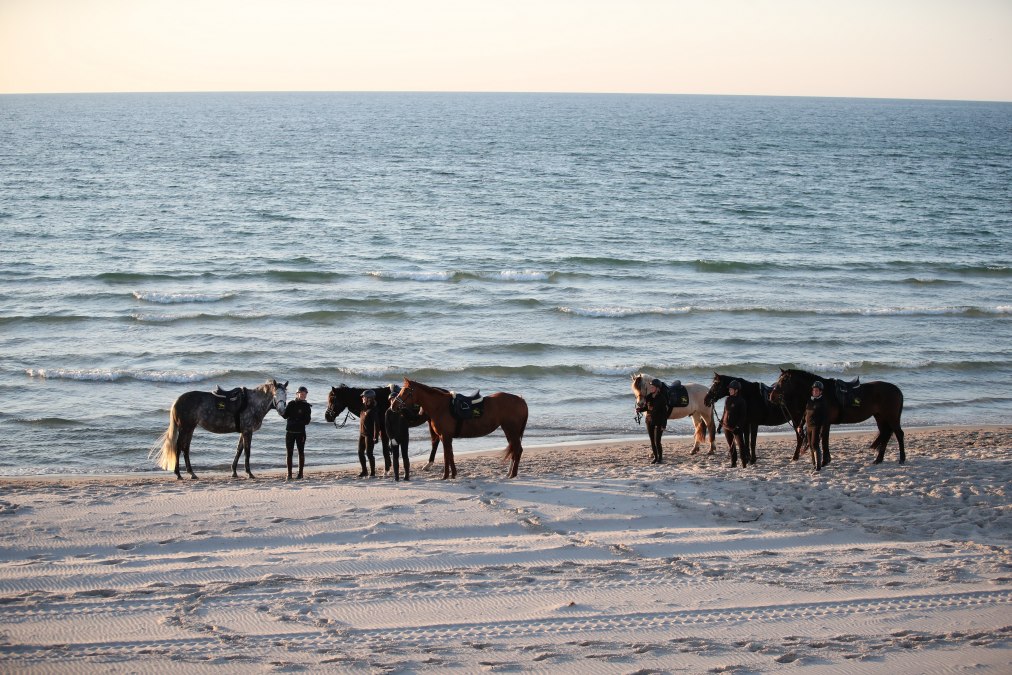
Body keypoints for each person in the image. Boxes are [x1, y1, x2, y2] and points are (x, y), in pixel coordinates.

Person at [280, 386, 312, 480]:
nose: (303, 396)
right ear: (297, 394)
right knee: (289, 453)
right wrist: (282, 409)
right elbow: (285, 416)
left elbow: (307, 421)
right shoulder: (291, 404)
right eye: (301, 394)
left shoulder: (307, 406)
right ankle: (289, 474)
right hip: (289, 432)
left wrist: (297, 420)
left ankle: (300, 474)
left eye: (304, 394)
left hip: (301, 433)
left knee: (301, 452)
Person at [637, 378, 670, 464]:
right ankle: (655, 457)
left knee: (657, 441)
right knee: (652, 440)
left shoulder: (662, 398)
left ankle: (660, 458)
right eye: (650, 386)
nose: (651, 388)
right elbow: (646, 408)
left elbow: (664, 413)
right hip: (649, 421)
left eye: (653, 387)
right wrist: (640, 410)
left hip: (658, 422)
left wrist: (664, 425)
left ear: (658, 388)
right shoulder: (648, 397)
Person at [385, 384, 410, 481]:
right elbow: (387, 428)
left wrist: (420, 413)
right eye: (392, 399)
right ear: (390, 401)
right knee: (395, 457)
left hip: (404, 437)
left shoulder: (404, 410)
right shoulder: (388, 412)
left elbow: (413, 418)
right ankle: (396, 477)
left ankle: (407, 476)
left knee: (405, 456)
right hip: (394, 438)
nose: (393, 401)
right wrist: (392, 438)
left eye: (395, 399)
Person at [721, 380, 749, 467]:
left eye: (731, 389)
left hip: (736, 428)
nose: (729, 390)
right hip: (726, 427)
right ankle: (733, 463)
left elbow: (743, 416)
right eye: (729, 389)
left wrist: (738, 427)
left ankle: (744, 463)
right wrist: (720, 424)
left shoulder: (741, 401)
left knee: (741, 446)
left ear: (736, 390)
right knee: (731, 446)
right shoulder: (727, 399)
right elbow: (724, 412)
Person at [805, 381, 829, 470]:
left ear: (820, 392)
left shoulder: (823, 402)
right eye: (814, 390)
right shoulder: (810, 401)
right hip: (808, 426)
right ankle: (814, 464)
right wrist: (800, 425)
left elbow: (825, 418)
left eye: (816, 390)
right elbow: (805, 413)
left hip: (816, 426)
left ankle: (818, 467)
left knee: (815, 444)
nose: (814, 392)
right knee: (810, 446)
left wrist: (823, 429)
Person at [358, 389, 378, 477]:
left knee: (369, 453)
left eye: (364, 397)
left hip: (369, 435)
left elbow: (376, 424)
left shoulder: (373, 410)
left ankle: (373, 472)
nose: (362, 398)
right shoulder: (363, 407)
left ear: (369, 399)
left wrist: (375, 436)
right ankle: (364, 471)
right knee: (360, 452)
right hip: (362, 433)